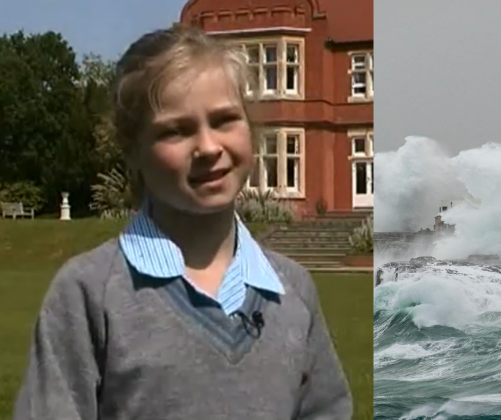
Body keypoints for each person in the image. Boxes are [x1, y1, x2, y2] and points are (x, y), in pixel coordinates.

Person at [12, 26, 352, 420]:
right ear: (132, 150)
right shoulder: (88, 293)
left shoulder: (292, 291)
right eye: (176, 130)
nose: (208, 147)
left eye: (225, 120)